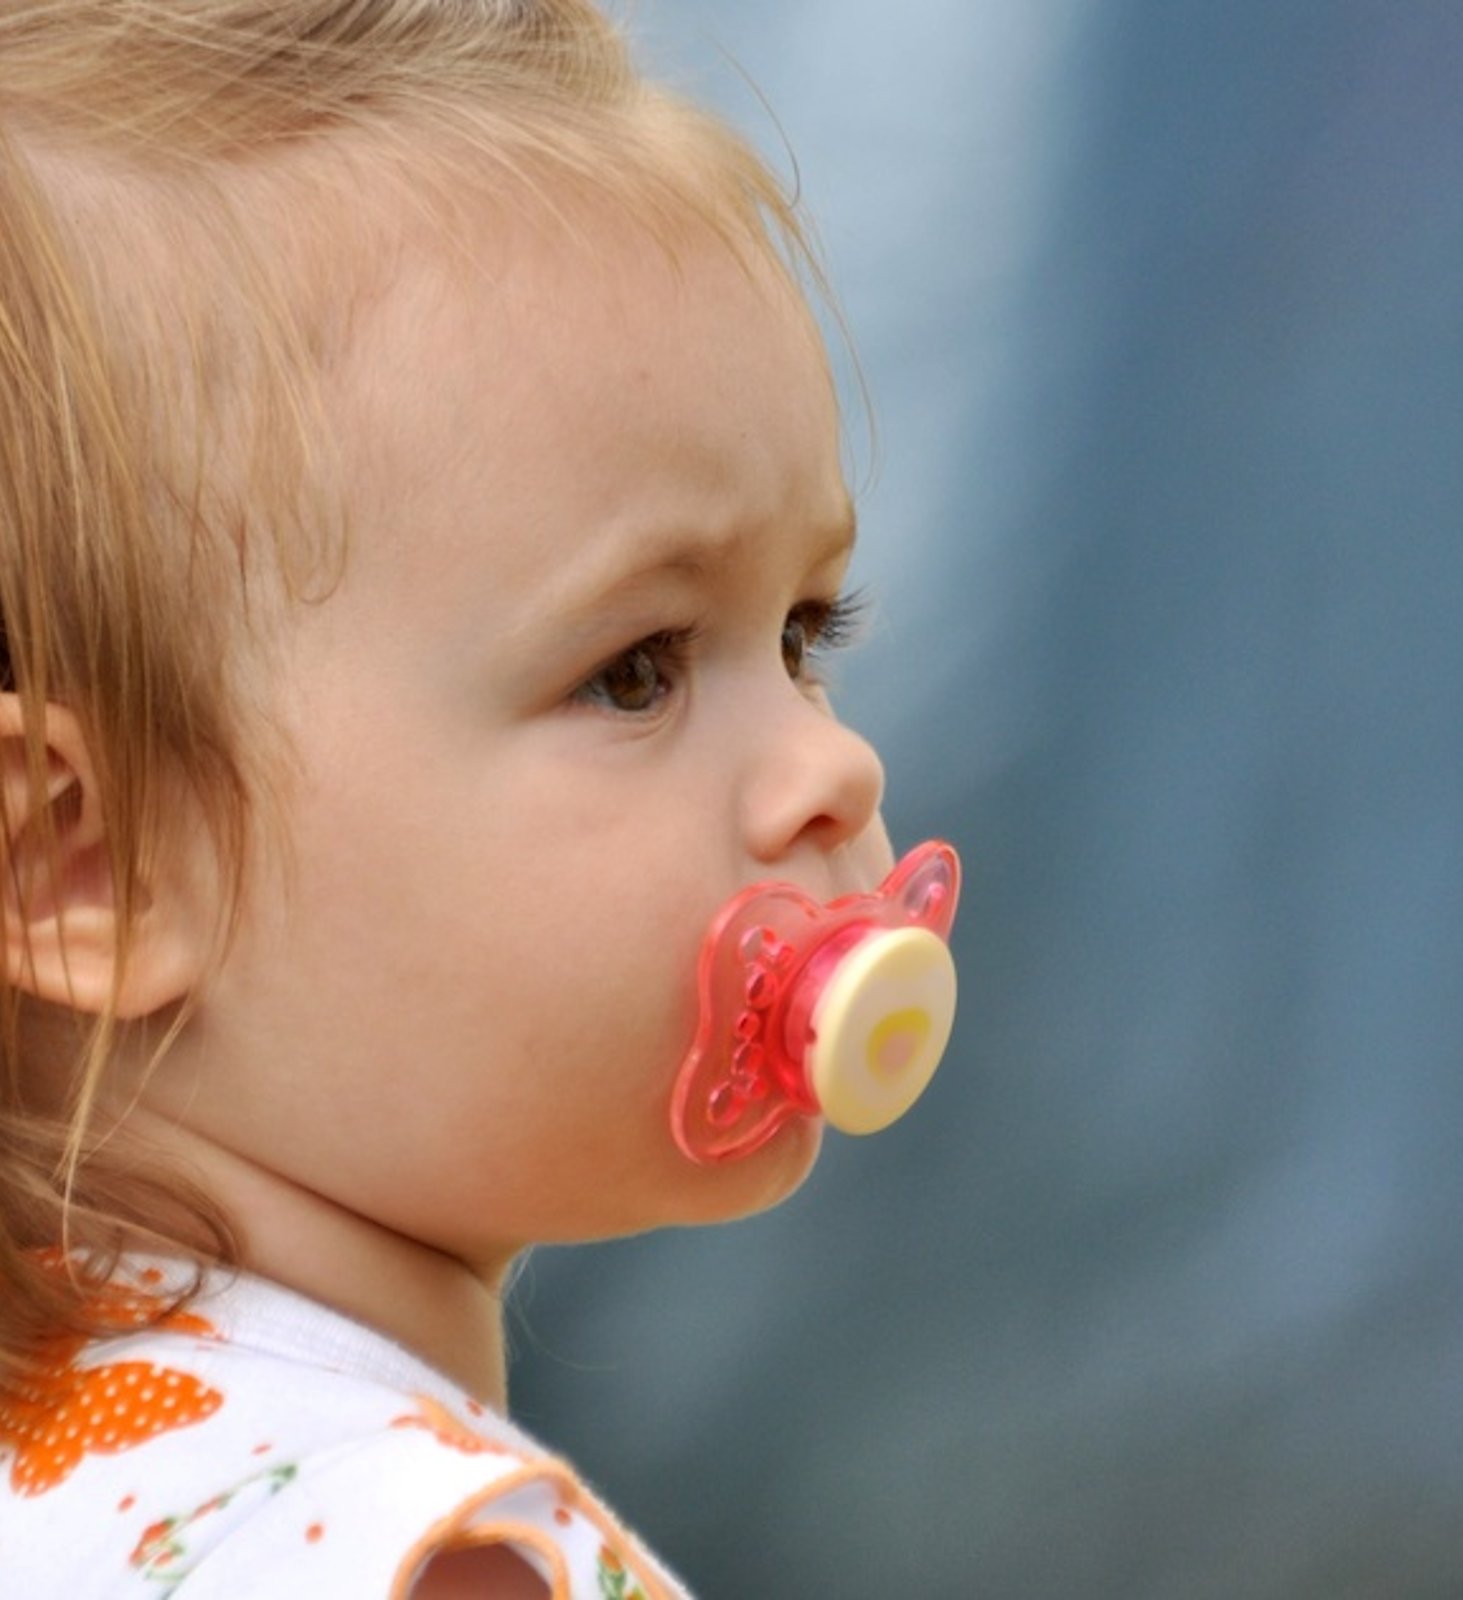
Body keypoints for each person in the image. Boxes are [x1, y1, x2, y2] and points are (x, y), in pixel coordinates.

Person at [0, 2, 911, 1593]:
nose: (835, 769)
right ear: (92, 864)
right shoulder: (426, 1557)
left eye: (802, 634)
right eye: (636, 669)